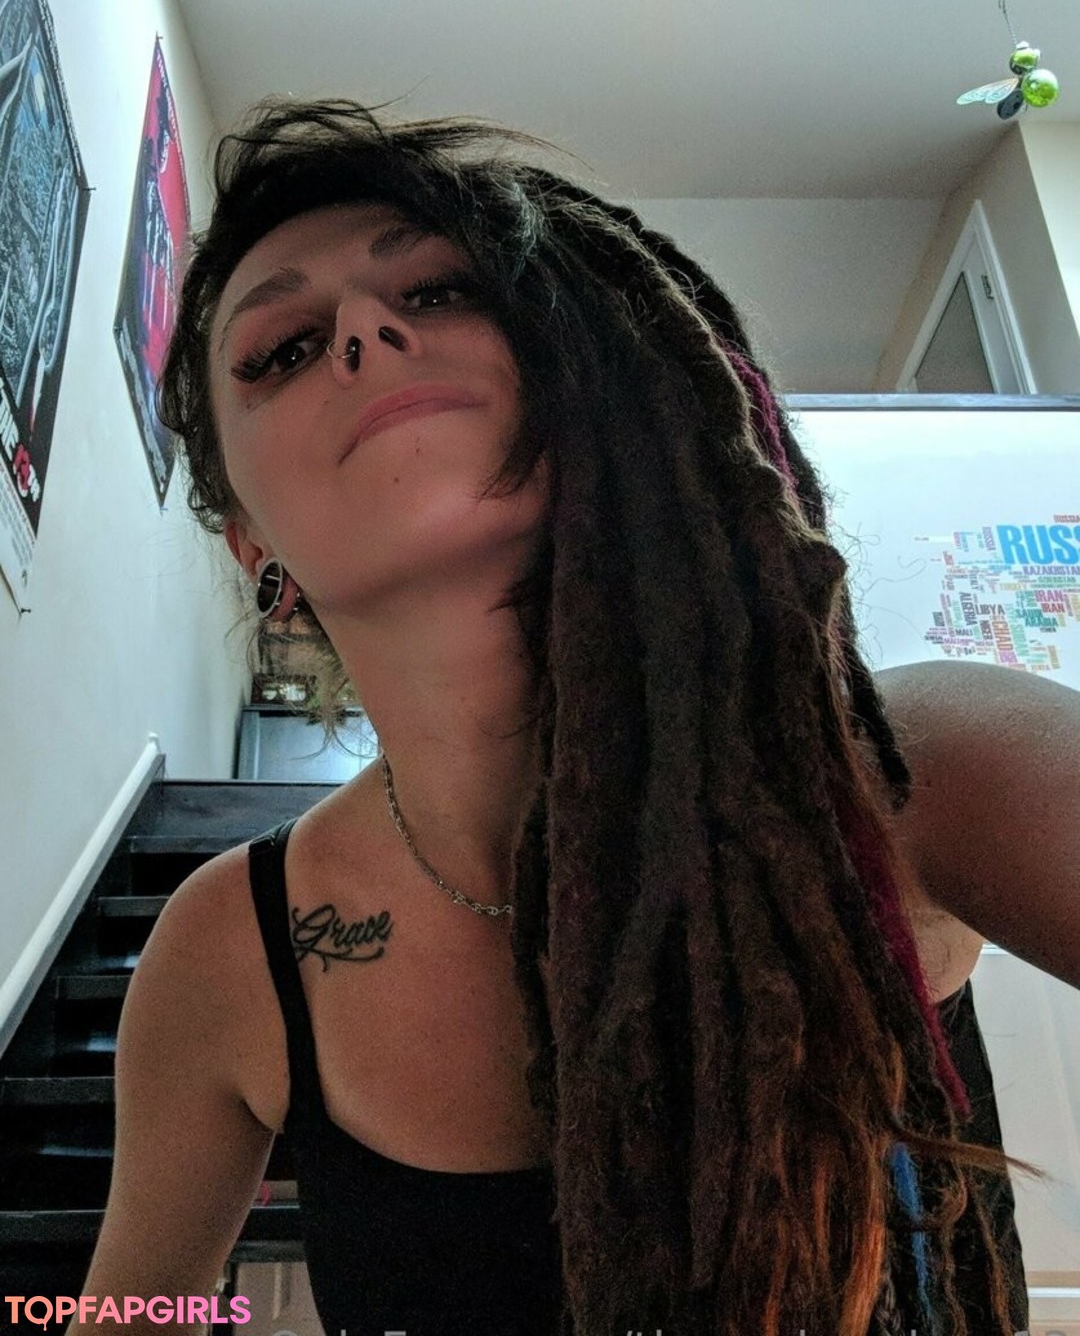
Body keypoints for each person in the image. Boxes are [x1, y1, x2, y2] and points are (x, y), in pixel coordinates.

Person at [66, 97, 1077, 1336]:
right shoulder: (228, 949)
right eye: (283, 348)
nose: (366, 331)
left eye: (438, 290)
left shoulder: (903, 770)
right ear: (251, 545)